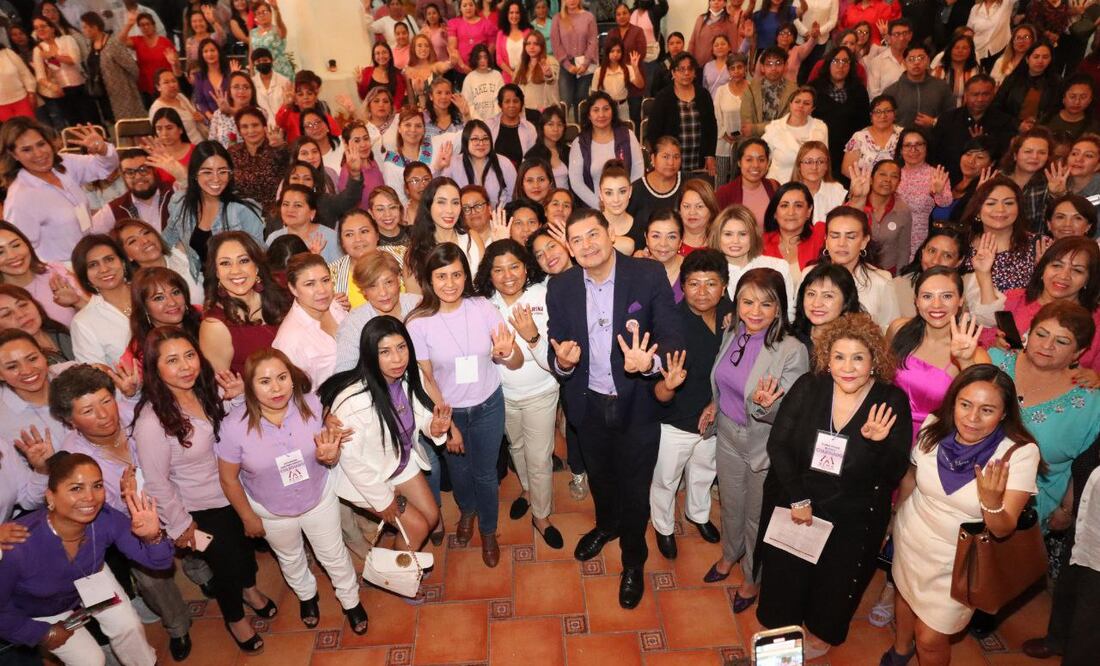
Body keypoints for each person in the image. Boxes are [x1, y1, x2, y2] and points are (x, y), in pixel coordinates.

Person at [545, 208, 682, 608]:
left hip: (637, 402)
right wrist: (563, 363)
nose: (587, 245)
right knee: (602, 477)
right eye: (577, 240)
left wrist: (653, 364)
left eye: (593, 235)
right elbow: (558, 344)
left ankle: (634, 560)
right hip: (587, 403)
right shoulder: (562, 287)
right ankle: (607, 525)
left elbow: (672, 331)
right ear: (569, 249)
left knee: (635, 487)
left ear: (610, 234)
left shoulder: (647, 274)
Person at [757, 312, 910, 659]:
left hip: (854, 514)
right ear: (827, 358)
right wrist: (797, 498)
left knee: (835, 581)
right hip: (801, 500)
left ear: (874, 359)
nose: (848, 367)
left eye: (858, 357)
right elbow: (778, 445)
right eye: (839, 356)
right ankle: (782, 634)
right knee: (787, 573)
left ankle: (822, 634)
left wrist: (877, 443)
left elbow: (893, 472)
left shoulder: (891, 401)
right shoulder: (809, 386)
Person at [886, 365, 1041, 666]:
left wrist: (992, 502)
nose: (972, 418)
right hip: (912, 536)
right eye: (965, 404)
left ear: (1004, 413)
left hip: (959, 562)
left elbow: (1002, 528)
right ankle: (901, 650)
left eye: (987, 410)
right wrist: (893, 520)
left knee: (930, 639)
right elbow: (910, 479)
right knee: (904, 596)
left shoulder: (1018, 454)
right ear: (953, 401)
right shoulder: (933, 426)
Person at [132, 327, 275, 653]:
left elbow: (233, 433)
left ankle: (250, 590)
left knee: (245, 551)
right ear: (155, 369)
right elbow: (156, 482)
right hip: (199, 509)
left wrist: (238, 397)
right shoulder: (152, 422)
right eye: (172, 360)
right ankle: (236, 619)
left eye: (189, 355)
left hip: (235, 491)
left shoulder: (205, 391)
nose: (185, 366)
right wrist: (181, 525)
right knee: (224, 566)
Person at [216, 348, 367, 632]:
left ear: (292, 377)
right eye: (264, 381)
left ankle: (351, 601)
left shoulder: (313, 405)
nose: (276, 388)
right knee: (291, 557)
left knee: (333, 554)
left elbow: (330, 453)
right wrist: (248, 517)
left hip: (318, 497)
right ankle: (307, 596)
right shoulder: (233, 427)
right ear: (249, 386)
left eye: (282, 377)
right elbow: (229, 479)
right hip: (271, 510)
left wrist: (328, 455)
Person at [697, 266, 808, 607]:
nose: (754, 312)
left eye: (765, 304)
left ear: (779, 308)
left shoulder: (792, 350)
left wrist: (765, 407)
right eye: (747, 302)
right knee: (730, 504)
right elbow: (724, 377)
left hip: (763, 445)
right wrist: (714, 404)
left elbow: (792, 416)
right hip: (728, 434)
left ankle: (752, 575)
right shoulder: (734, 330)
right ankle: (730, 554)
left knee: (756, 515)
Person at [406, 242, 521, 567]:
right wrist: (448, 423)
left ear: (465, 275)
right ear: (430, 279)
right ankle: (467, 511)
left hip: (488, 405)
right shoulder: (418, 321)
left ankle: (487, 530)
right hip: (449, 412)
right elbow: (426, 379)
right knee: (458, 471)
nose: (450, 283)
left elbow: (510, 356)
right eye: (441, 276)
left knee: (485, 473)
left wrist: (507, 352)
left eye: (457, 274)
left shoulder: (482, 307)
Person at [0, 452, 170, 665]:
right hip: (38, 609)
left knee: (128, 626)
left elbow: (159, 562)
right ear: (50, 497)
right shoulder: (17, 544)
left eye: (97, 486)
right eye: (76, 488)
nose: (90, 498)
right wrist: (41, 633)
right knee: (91, 660)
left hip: (88, 577)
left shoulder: (105, 519)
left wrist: (152, 537)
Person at [321, 315, 448, 558]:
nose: (397, 358)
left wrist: (435, 427)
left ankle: (400, 554)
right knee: (417, 526)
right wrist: (384, 500)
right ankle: (401, 577)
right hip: (366, 477)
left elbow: (420, 417)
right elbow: (351, 462)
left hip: (399, 461)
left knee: (431, 517)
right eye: (385, 352)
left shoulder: (410, 376)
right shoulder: (353, 401)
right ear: (371, 355)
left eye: (401, 347)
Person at [473, 239, 563, 547]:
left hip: (542, 391)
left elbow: (553, 360)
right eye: (498, 269)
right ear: (489, 273)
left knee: (539, 458)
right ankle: (526, 490)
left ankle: (542, 514)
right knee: (517, 447)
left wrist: (531, 335)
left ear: (527, 268)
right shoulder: (483, 304)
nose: (507, 275)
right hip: (502, 396)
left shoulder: (545, 294)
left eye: (514, 266)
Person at [647, 248, 731, 559]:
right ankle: (663, 526)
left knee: (704, 471)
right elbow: (656, 390)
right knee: (666, 477)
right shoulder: (672, 324)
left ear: (724, 286)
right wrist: (668, 386)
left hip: (714, 415)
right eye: (694, 284)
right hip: (676, 420)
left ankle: (698, 514)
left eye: (711, 283)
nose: (702, 292)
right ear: (682, 286)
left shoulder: (730, 313)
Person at [971, 237, 1100, 373]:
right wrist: (995, 346)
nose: (1064, 275)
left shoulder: (1096, 320)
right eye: (1056, 265)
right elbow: (980, 345)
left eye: (1077, 270)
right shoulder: (1015, 299)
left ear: (1089, 279)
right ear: (1043, 268)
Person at [0, 118, 118, 264]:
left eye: (41, 144)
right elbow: (21, 250)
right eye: (26, 150)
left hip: (91, 257)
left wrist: (103, 149)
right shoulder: (19, 198)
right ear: (14, 155)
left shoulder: (64, 164)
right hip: (63, 273)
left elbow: (104, 168)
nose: (38, 154)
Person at [161, 141, 265, 278]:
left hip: (234, 286)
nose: (216, 179)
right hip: (196, 285)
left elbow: (259, 258)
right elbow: (165, 244)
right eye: (207, 172)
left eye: (222, 171)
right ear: (194, 174)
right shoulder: (181, 204)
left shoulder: (242, 211)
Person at [199, 231, 292, 375]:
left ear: (257, 265)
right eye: (225, 263)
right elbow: (220, 387)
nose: (235, 271)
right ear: (216, 272)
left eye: (243, 261)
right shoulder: (215, 326)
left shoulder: (284, 291)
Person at [272, 252, 347, 387]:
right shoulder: (289, 340)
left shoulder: (336, 306)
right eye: (310, 284)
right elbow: (295, 393)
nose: (322, 290)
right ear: (293, 288)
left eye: (325, 280)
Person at [820, 206, 900, 330]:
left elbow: (891, 329)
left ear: (864, 241)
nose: (842, 243)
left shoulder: (881, 281)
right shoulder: (810, 275)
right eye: (835, 236)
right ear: (826, 240)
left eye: (851, 237)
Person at [0, 221, 87, 327]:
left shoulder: (56, 274)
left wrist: (76, 302)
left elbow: (97, 315)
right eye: (0, 252)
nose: (13, 255)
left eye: (16, 245)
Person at [961, 176, 1038, 292]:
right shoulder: (961, 245)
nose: (1000, 209)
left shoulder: (1038, 245)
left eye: (1008, 203)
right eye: (991, 203)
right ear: (977, 211)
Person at [931, 75, 1014, 182]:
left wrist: (983, 144)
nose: (980, 99)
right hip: (947, 179)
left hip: (986, 181)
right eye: (975, 94)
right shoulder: (948, 119)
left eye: (986, 94)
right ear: (965, 95)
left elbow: (1004, 157)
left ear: (993, 94)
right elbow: (934, 152)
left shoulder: (1004, 122)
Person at [568, 92, 643, 209]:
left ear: (612, 112)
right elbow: (576, 182)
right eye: (596, 110)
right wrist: (600, 205)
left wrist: (624, 201)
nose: (601, 114)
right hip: (594, 209)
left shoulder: (627, 135)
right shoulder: (580, 143)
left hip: (626, 206)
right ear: (589, 115)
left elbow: (638, 172)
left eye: (606, 109)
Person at [645, 53, 716, 176]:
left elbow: (711, 127)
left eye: (690, 69)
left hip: (698, 160)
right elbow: (653, 131)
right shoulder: (663, 97)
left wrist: (710, 154)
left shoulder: (703, 95)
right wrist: (661, 158)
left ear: (695, 73)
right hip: (671, 162)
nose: (686, 73)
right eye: (681, 69)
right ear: (673, 73)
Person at [68, 234, 133, 365]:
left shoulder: (150, 292)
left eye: (109, 259)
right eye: (93, 265)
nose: (104, 269)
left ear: (123, 262)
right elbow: (96, 378)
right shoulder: (83, 323)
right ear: (84, 275)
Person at [810, 46, 871, 178]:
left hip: (851, 155)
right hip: (821, 151)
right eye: (836, 61)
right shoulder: (814, 88)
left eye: (845, 61)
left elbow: (865, 124)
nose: (840, 66)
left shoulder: (859, 90)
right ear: (828, 63)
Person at [112, 218, 203, 305]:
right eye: (132, 241)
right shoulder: (136, 289)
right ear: (127, 256)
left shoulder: (182, 254)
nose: (145, 241)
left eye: (146, 232)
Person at [31, 15, 95, 127]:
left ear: (52, 28)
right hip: (61, 92)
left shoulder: (67, 40)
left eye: (43, 26)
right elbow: (40, 77)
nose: (40, 30)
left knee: (91, 119)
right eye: (36, 28)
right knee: (75, 125)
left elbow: (74, 60)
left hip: (80, 86)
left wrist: (52, 56)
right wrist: (52, 86)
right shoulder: (38, 50)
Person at [892, 225, 969, 319]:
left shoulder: (967, 287)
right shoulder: (897, 286)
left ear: (959, 261)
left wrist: (983, 274)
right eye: (932, 251)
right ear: (923, 251)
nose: (935, 261)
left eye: (947, 256)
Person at [79, 12, 144, 122]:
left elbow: (132, 68)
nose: (83, 30)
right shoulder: (90, 45)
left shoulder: (112, 43)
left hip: (122, 93)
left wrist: (127, 85)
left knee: (129, 124)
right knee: (113, 124)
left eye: (85, 27)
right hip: (103, 94)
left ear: (94, 27)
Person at [438, 119, 518, 205]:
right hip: (462, 215)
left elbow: (513, 195)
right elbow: (440, 191)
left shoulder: (504, 163)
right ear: (466, 141)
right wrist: (438, 167)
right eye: (475, 139)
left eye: (485, 138)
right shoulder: (453, 163)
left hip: (496, 215)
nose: (481, 143)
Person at [226, 106, 290, 210]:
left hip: (274, 213)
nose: (250, 131)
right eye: (245, 127)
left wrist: (280, 147)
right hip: (242, 213)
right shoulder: (232, 152)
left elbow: (289, 167)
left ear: (264, 127)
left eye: (255, 125)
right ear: (239, 130)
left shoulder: (278, 148)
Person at [761, 86, 828, 184]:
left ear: (812, 109)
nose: (801, 106)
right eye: (797, 101)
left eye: (806, 103)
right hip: (779, 186)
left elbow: (824, 161)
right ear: (790, 104)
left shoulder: (821, 127)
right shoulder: (774, 128)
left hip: (811, 186)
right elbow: (763, 159)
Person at [991, 41, 1061, 131]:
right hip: (1010, 129)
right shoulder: (1013, 79)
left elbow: (1055, 112)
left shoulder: (1056, 83)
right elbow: (996, 107)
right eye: (1036, 57)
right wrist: (1017, 124)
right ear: (1027, 59)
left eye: (1045, 57)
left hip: (1041, 131)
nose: (1040, 61)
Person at [761, 181, 825, 279]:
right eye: (784, 205)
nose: (791, 212)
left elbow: (847, 224)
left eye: (798, 205)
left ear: (809, 211)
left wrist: (856, 199)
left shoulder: (820, 234)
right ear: (774, 213)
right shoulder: (762, 243)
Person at [266, 185, 342, 264]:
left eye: (298, 205)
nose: (290, 209)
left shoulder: (329, 237)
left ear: (312, 212)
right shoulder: (274, 238)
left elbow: (341, 273)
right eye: (285, 204)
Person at [121, 10, 180, 108]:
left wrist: (174, 64)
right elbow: (120, 42)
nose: (145, 27)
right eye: (142, 25)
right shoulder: (138, 40)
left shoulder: (165, 42)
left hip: (165, 86)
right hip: (146, 86)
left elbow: (176, 64)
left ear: (154, 25)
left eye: (148, 24)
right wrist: (129, 25)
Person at [549, 0, 597, 116]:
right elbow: (556, 43)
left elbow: (593, 41)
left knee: (582, 101)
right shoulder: (557, 18)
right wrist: (567, 65)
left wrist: (585, 64)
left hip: (585, 63)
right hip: (566, 64)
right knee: (565, 101)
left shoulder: (589, 17)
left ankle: (582, 130)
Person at [0, 288, 74, 363]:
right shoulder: (13, 360)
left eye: (23, 305)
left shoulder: (61, 332)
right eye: (7, 314)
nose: (21, 314)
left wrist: (78, 303)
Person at [717, 139, 779, 225]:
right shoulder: (725, 193)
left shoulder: (774, 187)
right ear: (739, 162)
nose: (755, 165)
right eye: (749, 160)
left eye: (761, 160)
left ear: (768, 163)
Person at [739, 47, 797, 139]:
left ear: (786, 65)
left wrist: (756, 128)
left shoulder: (794, 91)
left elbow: (789, 123)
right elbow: (747, 128)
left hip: (784, 142)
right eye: (769, 64)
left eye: (778, 63)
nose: (773, 68)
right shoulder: (751, 90)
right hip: (755, 142)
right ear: (762, 67)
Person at [148, 69, 207, 145]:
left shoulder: (181, 96)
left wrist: (200, 118)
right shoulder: (157, 108)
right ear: (158, 87)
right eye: (166, 82)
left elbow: (196, 117)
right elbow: (161, 137)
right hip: (182, 147)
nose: (172, 85)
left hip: (201, 141)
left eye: (174, 81)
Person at [511, 30, 559, 119]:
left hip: (545, 114)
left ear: (542, 46)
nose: (531, 47)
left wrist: (548, 74)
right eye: (528, 44)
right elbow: (514, 87)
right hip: (524, 114)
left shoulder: (550, 61)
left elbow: (552, 79)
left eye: (536, 44)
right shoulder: (521, 64)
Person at [866, 19, 913, 98]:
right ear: (889, 37)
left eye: (905, 33)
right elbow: (873, 95)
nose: (901, 38)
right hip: (886, 108)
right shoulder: (877, 62)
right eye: (897, 34)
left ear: (910, 35)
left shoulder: (915, 60)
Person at [687, 0, 740, 66]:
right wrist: (688, 61)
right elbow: (692, 42)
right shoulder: (701, 19)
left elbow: (733, 47)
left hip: (719, 67)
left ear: (725, 3)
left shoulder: (730, 21)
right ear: (709, 2)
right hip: (698, 65)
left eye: (719, 0)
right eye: (713, 0)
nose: (716, 2)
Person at [248, 1, 291, 79]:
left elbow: (280, 23)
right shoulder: (253, 33)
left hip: (280, 70)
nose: (262, 15)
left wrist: (276, 9)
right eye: (258, 13)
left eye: (264, 12)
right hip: (261, 71)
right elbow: (251, 54)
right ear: (256, 17)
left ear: (270, 13)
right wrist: (251, 72)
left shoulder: (277, 29)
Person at [250, 47, 290, 128]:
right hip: (262, 127)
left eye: (265, 60)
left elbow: (289, 105)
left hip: (284, 124)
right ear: (254, 64)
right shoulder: (252, 83)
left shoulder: (284, 81)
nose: (262, 63)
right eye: (258, 61)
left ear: (271, 61)